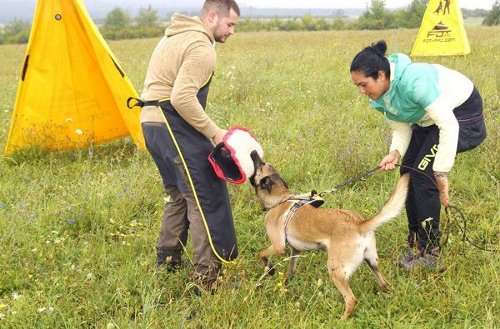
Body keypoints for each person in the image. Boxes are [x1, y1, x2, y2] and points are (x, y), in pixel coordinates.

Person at [350, 40, 486, 270]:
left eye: (364, 84)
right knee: (407, 173)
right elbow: (401, 126)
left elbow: (448, 125)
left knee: (424, 175)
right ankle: (416, 242)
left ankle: (431, 252)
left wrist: (441, 171)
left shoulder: (415, 82)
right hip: (429, 119)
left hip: (461, 114)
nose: (362, 92)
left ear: (381, 75)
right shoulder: (383, 94)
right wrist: (395, 152)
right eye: (357, 86)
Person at [139, 0, 240, 291]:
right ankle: (207, 278)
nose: (232, 32)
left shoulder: (173, 35)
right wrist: (215, 132)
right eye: (229, 24)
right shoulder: (201, 47)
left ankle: (168, 260)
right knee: (204, 196)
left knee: (179, 195)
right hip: (172, 125)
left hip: (150, 124)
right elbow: (182, 98)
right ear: (212, 16)